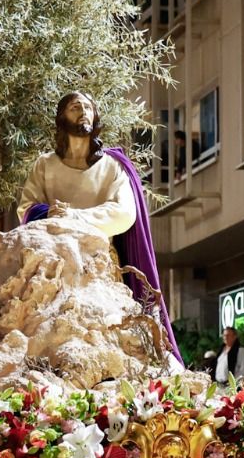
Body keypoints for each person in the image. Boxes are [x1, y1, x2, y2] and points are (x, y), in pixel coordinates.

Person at [17, 91, 179, 359]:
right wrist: (47, 213)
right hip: (55, 268)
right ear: (61, 118)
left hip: (100, 268)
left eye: (87, 107)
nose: (82, 111)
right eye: (74, 107)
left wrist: (73, 216)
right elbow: (26, 208)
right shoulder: (45, 165)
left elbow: (124, 213)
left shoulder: (112, 167)